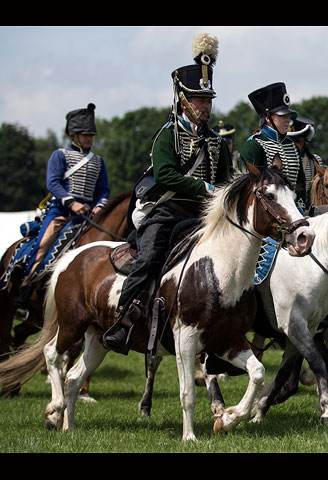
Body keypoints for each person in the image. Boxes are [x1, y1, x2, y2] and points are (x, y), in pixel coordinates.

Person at [103, 33, 232, 354]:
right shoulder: (168, 135)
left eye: (208, 100)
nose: (205, 106)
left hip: (204, 216)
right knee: (149, 259)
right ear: (183, 100)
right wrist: (204, 188)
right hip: (167, 210)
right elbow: (164, 175)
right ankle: (123, 321)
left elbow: (227, 180)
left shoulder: (216, 141)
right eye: (199, 100)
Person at [14, 103, 110, 320]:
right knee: (43, 246)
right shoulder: (60, 155)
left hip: (88, 215)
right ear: (74, 136)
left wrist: (100, 205)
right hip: (61, 211)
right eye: (84, 135)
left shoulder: (98, 161)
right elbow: (53, 184)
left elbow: (104, 189)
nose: (88, 139)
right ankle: (25, 289)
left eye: (90, 135)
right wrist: (72, 203)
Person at [239, 82, 307, 209]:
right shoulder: (254, 145)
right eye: (282, 116)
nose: (288, 120)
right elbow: (245, 187)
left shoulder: (292, 146)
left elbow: (300, 184)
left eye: (288, 116)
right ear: (268, 118)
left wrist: (300, 208)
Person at [286, 115, 325, 209]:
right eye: (296, 140)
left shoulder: (315, 160)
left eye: (302, 140)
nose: (300, 143)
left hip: (309, 206)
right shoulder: (280, 158)